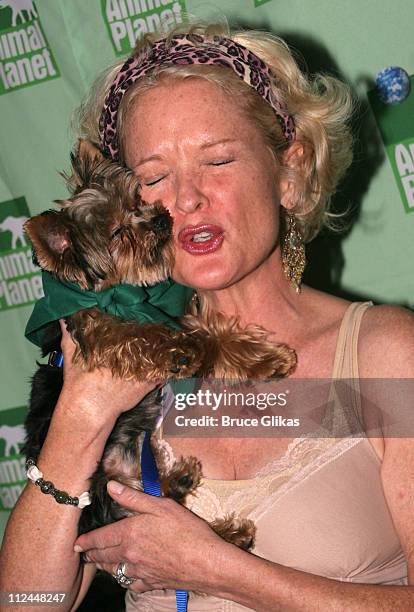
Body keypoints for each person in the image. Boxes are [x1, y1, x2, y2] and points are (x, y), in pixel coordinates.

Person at [1, 21, 414, 612]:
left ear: (289, 175)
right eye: (154, 178)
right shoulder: (121, 366)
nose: (187, 198)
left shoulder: (387, 352)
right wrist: (80, 416)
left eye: (217, 161)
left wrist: (223, 571)